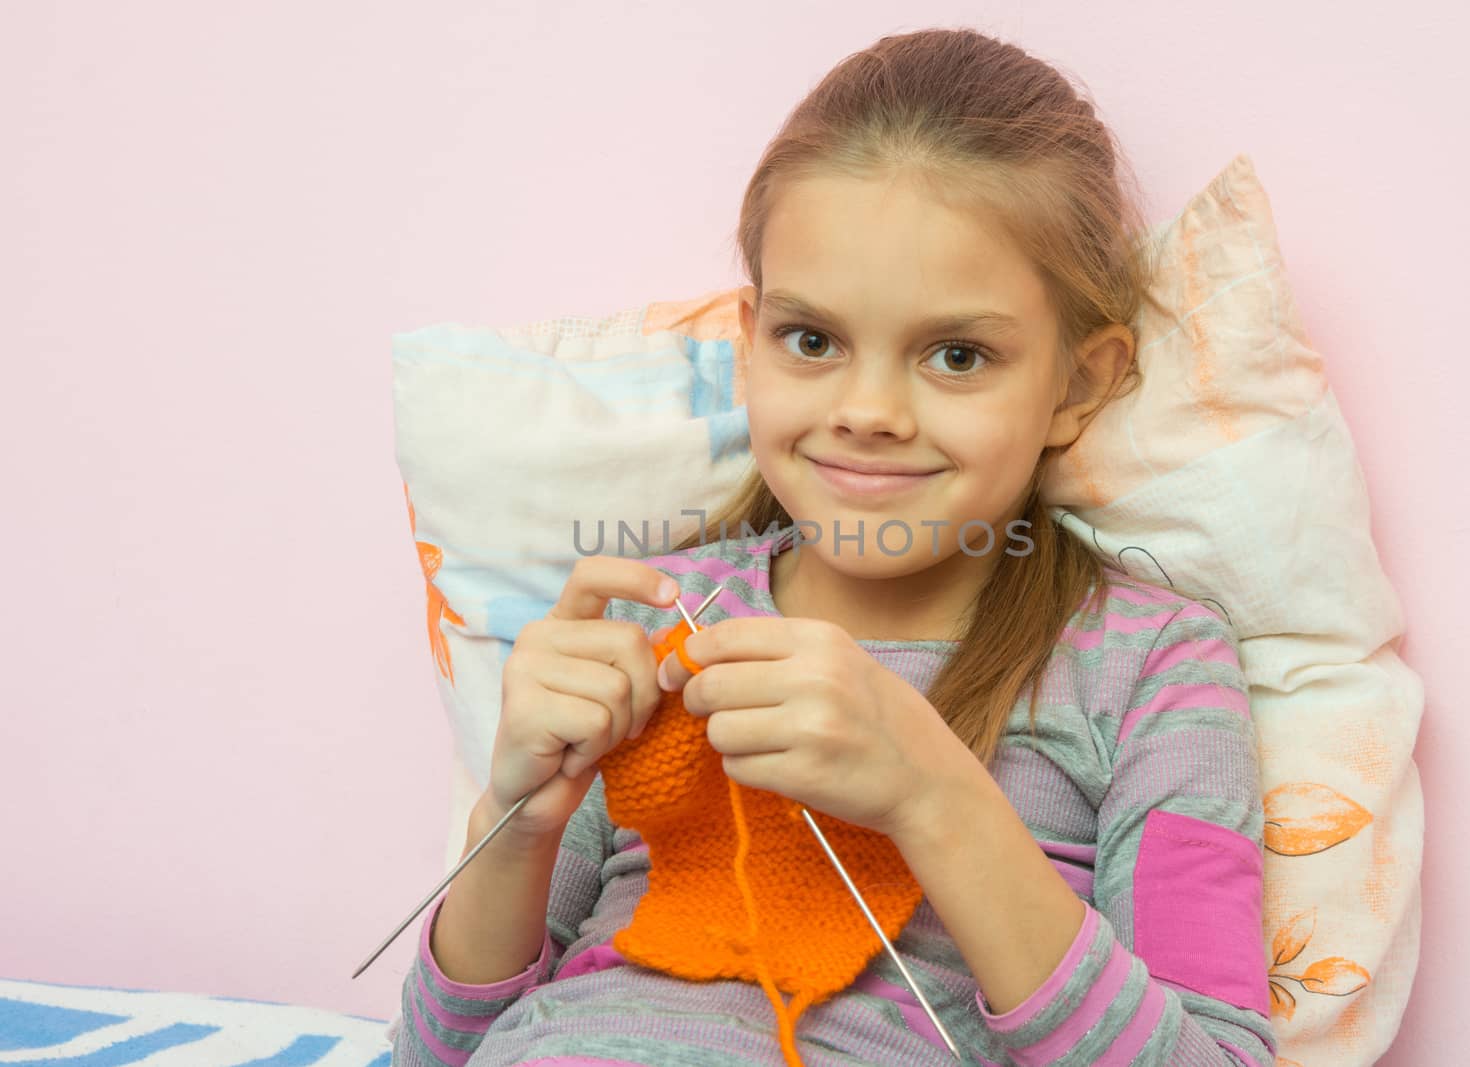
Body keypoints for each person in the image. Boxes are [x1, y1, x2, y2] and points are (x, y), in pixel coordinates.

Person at [391, 26, 1275, 1067]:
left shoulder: (1152, 666)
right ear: (751, 339)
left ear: (1078, 384)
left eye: (957, 354)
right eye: (811, 340)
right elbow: (432, 1050)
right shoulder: (651, 618)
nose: (865, 410)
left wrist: (932, 794)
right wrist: (516, 819)